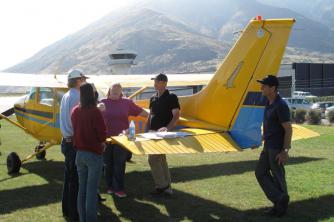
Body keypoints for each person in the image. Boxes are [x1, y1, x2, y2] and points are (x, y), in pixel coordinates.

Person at [101, 83, 148, 198]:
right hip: (105, 139)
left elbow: (144, 113)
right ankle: (109, 187)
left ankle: (119, 188)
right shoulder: (102, 102)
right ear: (109, 90)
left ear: (121, 91)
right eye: (113, 89)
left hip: (122, 139)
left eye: (118, 89)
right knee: (107, 164)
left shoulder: (127, 102)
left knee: (119, 164)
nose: (116, 91)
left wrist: (154, 117)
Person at [256, 75, 292, 217]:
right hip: (268, 146)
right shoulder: (268, 102)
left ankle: (280, 207)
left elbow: (288, 128)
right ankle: (279, 199)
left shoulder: (280, 105)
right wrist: (260, 139)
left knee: (278, 177)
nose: (261, 88)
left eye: (264, 86)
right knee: (260, 172)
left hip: (277, 148)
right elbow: (270, 126)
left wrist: (285, 150)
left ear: (273, 88)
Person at [71, 83, 107, 222]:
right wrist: (102, 142)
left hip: (80, 153)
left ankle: (83, 219)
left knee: (82, 190)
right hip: (93, 153)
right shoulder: (94, 111)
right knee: (91, 190)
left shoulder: (75, 111)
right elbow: (102, 133)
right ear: (91, 94)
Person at [59, 69, 87, 221]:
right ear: (78, 80)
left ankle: (67, 209)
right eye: (83, 79)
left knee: (69, 177)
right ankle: (74, 213)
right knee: (75, 180)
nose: (85, 81)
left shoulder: (66, 95)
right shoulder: (77, 96)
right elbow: (79, 121)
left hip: (66, 140)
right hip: (73, 142)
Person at [147, 73, 180, 197]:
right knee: (161, 159)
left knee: (153, 159)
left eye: (157, 81)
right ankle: (167, 189)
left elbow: (176, 115)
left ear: (164, 83)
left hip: (164, 135)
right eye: (154, 81)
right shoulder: (152, 98)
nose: (154, 84)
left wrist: (167, 128)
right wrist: (147, 130)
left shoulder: (172, 97)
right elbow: (151, 116)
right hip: (152, 133)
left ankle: (162, 186)